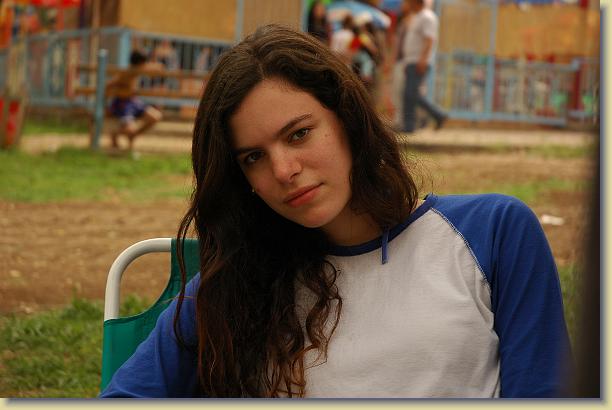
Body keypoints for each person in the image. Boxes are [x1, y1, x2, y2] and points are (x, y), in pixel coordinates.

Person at [100, 24, 572, 398]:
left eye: (299, 134)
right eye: (253, 157)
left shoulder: (494, 233)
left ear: (347, 117)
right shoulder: (235, 285)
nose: (283, 170)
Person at [400, 0, 447, 132]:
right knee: (410, 94)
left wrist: (423, 59)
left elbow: (430, 39)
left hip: (419, 61)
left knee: (411, 93)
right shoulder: (417, 17)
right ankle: (437, 115)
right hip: (411, 60)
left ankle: (410, 125)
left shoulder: (427, 17)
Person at [105, 50, 163, 151]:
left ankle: (130, 136)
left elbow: (158, 69)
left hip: (133, 101)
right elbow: (109, 85)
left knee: (155, 117)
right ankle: (116, 135)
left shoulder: (136, 71)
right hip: (123, 104)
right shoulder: (129, 72)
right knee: (130, 130)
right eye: (144, 62)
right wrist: (106, 104)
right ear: (140, 63)